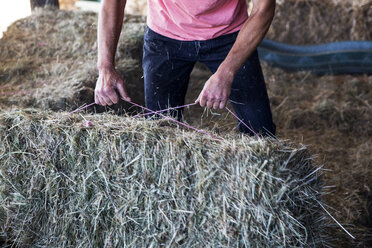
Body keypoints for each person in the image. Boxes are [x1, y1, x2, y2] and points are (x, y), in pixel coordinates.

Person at [94, 0, 276, 136]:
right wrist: (105, 67)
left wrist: (226, 72)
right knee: (160, 130)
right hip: (165, 34)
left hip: (230, 35)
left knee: (261, 132)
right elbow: (112, 3)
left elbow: (263, 9)